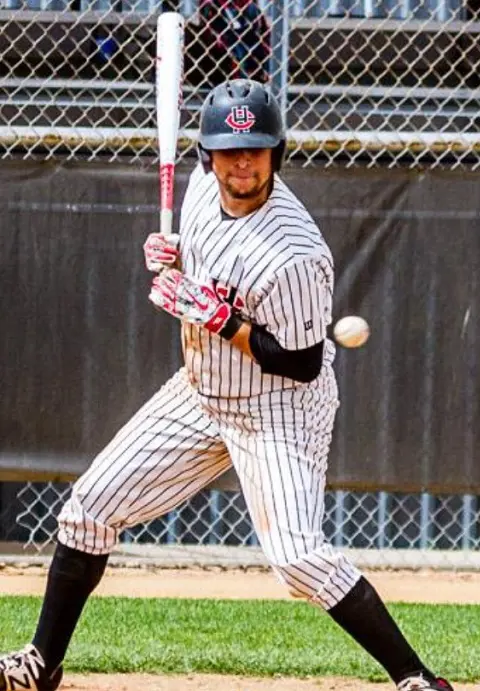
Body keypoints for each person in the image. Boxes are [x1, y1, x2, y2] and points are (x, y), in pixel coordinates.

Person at [0, 79, 452, 691]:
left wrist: (215, 316)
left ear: (277, 152)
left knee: (298, 562)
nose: (243, 161)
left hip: (279, 409)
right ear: (207, 155)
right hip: (201, 390)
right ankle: (39, 664)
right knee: (88, 511)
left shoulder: (295, 253)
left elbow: (301, 363)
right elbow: (201, 261)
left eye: (256, 148)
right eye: (229, 148)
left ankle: (416, 677)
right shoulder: (196, 190)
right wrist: (172, 258)